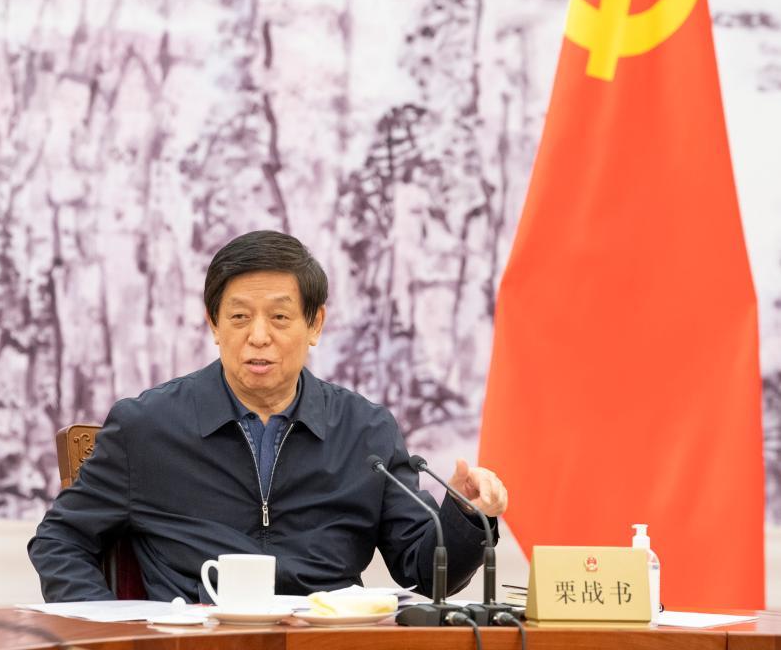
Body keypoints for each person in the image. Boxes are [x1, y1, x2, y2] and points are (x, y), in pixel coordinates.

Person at [28, 231, 508, 602]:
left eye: (279, 318)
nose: (258, 336)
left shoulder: (366, 431)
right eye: (239, 317)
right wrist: (108, 635)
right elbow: (59, 539)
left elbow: (423, 572)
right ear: (213, 323)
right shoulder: (147, 427)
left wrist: (465, 515)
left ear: (314, 324)